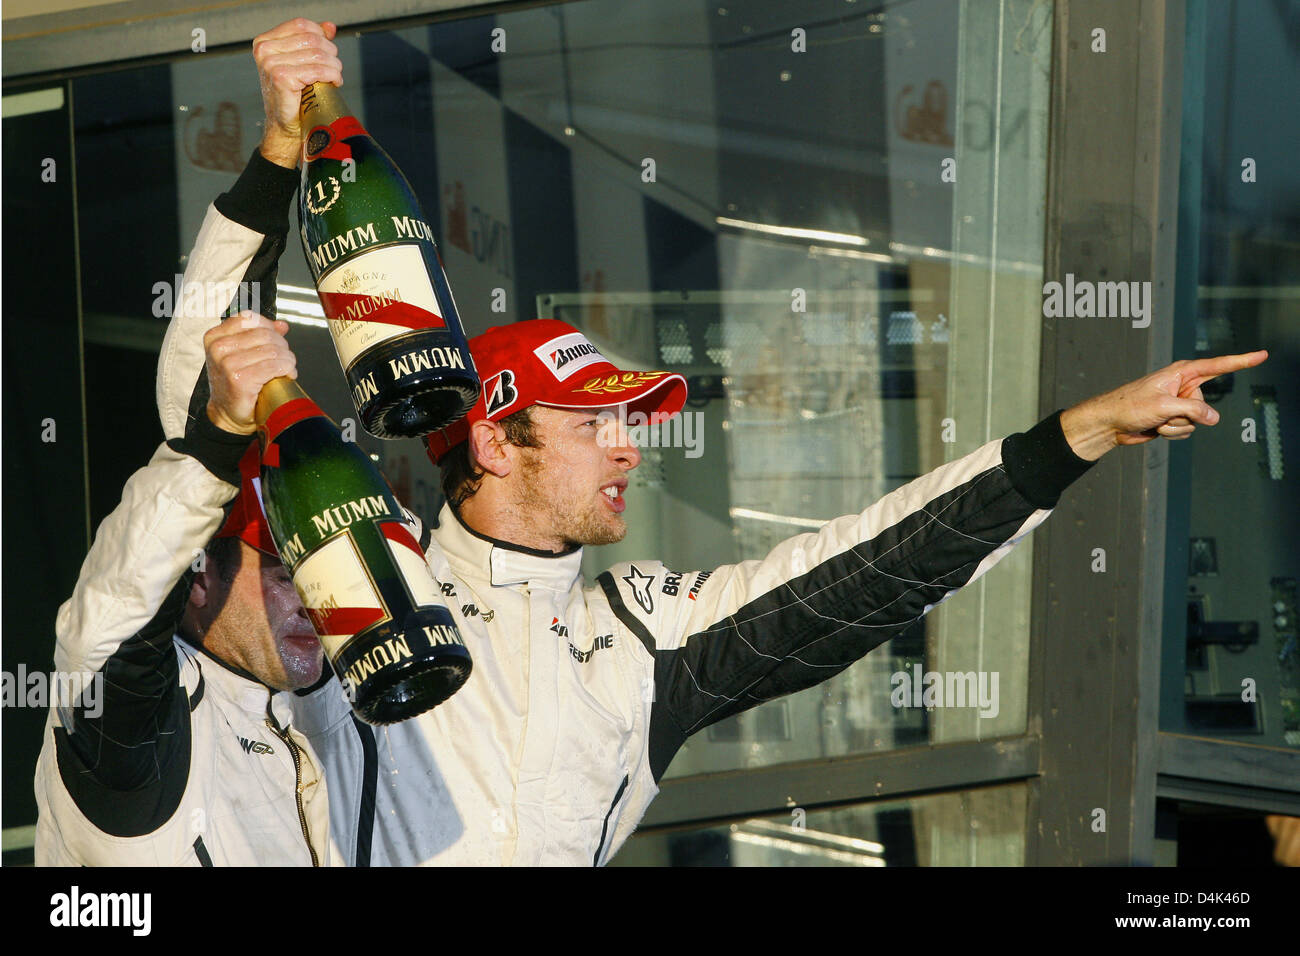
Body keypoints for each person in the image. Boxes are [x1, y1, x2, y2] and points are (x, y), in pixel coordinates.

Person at [163, 18, 1269, 866]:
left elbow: (862, 573)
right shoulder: (364, 570)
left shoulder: (637, 633)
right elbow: (195, 417)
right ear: (496, 442)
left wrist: (1074, 437)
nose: (629, 447)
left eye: (629, 420)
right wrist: (271, 162)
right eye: (595, 420)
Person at [32, 25, 346, 868]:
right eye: (280, 568)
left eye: (311, 566)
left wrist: (292, 143)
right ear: (196, 576)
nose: (313, 597)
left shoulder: (331, 712)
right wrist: (214, 442)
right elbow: (118, 613)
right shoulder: (134, 727)